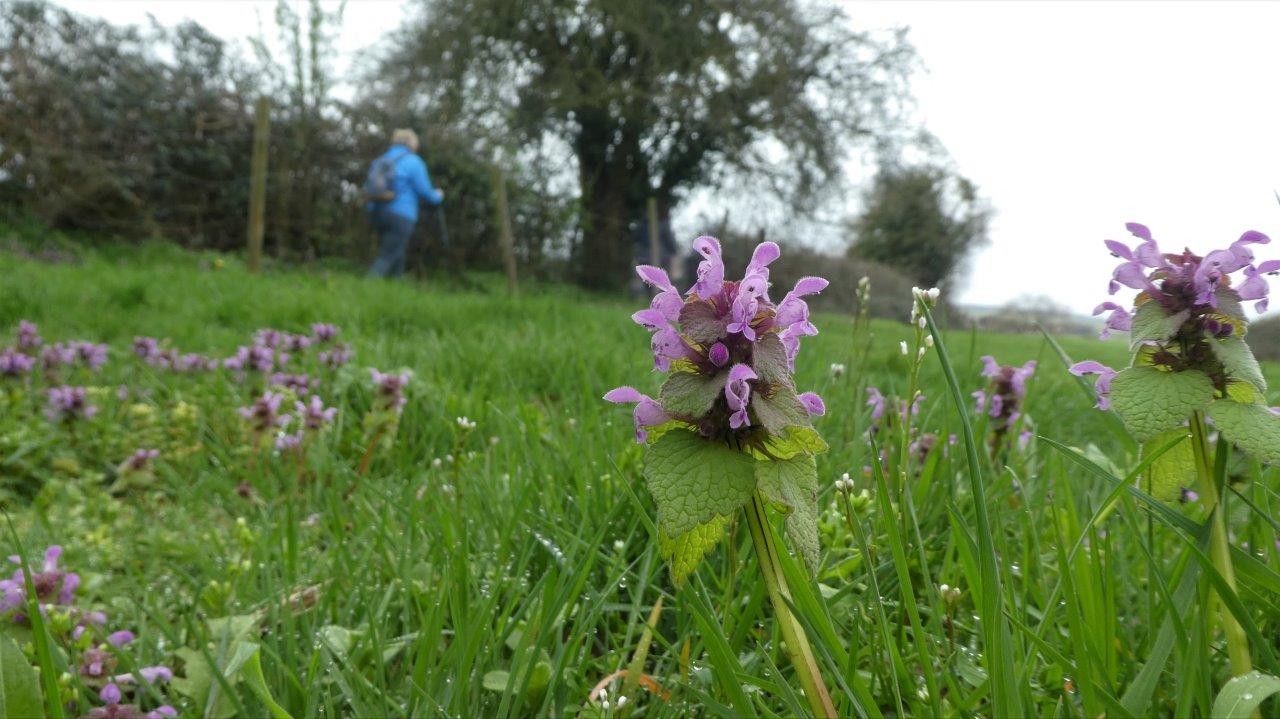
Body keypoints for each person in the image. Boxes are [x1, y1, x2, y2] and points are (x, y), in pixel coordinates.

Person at [366, 128, 444, 278]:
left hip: (376, 211)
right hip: (401, 214)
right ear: (410, 142)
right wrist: (438, 195)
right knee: (387, 254)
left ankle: (397, 287)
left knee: (397, 250)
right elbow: (425, 192)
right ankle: (366, 288)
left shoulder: (381, 160)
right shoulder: (413, 162)